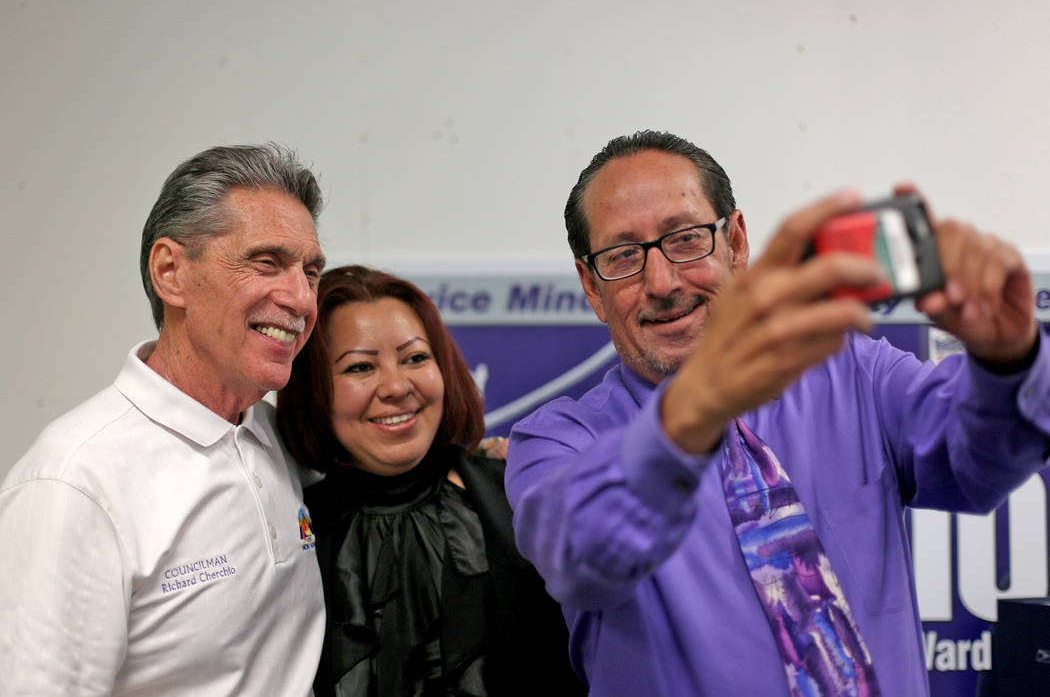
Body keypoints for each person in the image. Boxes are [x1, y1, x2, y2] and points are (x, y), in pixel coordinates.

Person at [505, 130, 1050, 696]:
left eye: (685, 240)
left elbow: (981, 462)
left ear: (735, 243)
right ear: (592, 288)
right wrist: (695, 409)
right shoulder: (555, 440)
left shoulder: (852, 372)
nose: (662, 283)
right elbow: (581, 555)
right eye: (623, 258)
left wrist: (1011, 358)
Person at [0, 144, 328, 695]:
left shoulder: (274, 433)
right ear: (170, 272)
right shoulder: (74, 482)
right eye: (266, 262)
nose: (300, 298)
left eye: (311, 270)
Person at [277, 265, 583, 697]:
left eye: (415, 358)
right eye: (360, 367)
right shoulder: (289, 528)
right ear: (313, 389)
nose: (397, 386)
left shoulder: (519, 495)